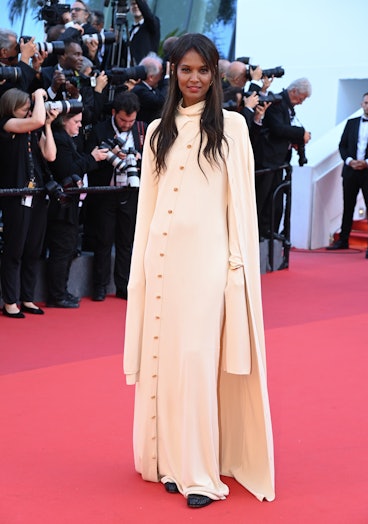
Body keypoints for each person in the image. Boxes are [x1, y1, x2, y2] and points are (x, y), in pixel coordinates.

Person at [123, 33, 275, 508]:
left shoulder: (233, 127)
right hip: (161, 262)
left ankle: (202, 474)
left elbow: (241, 209)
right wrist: (141, 268)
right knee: (164, 363)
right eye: (185, 69)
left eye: (203, 70)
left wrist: (236, 267)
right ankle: (170, 461)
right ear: (173, 73)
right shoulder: (154, 130)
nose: (194, 78)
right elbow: (146, 206)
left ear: (215, 76)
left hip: (208, 267)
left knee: (195, 362)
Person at [0, 88, 57, 318]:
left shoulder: (33, 127)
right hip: (16, 196)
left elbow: (50, 155)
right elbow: (37, 118)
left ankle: (27, 297)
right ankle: (10, 301)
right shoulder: (6, 124)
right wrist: (38, 96)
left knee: (33, 249)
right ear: (11, 107)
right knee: (15, 249)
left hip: (38, 195)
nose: (29, 110)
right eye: (24, 107)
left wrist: (49, 126)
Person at [85, 91, 147, 301]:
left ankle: (123, 285)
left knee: (126, 241)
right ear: (113, 113)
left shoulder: (142, 130)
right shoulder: (100, 130)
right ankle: (100, 286)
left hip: (131, 192)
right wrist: (109, 155)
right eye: (123, 120)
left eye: (131, 120)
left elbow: (151, 159)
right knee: (103, 240)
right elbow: (89, 160)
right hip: (106, 192)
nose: (127, 124)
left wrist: (138, 158)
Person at [45, 110, 108, 308]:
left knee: (68, 249)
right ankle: (57, 295)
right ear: (64, 121)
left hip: (71, 205)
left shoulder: (67, 138)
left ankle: (62, 291)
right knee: (62, 250)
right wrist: (92, 158)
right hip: (61, 206)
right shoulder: (60, 139)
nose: (80, 126)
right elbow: (67, 170)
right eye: (76, 122)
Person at [254, 77, 312, 239]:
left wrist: (295, 140)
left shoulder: (288, 106)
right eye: (301, 98)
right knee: (263, 200)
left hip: (279, 162)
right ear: (293, 91)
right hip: (267, 160)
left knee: (276, 203)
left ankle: (270, 234)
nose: (301, 102)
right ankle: (259, 234)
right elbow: (277, 129)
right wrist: (301, 133)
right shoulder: (277, 103)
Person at [327, 91, 368, 258]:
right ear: (361, 104)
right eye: (366, 102)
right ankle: (343, 240)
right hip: (350, 171)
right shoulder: (352, 123)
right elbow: (343, 145)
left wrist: (367, 162)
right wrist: (349, 161)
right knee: (348, 206)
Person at [130, 53, 166, 124]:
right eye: (160, 75)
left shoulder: (151, 88)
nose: (161, 78)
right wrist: (167, 78)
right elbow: (160, 101)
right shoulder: (140, 90)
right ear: (151, 77)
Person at [127, 0, 160, 66]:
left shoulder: (151, 24)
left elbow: (148, 17)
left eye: (138, 4)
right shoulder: (131, 31)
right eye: (133, 4)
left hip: (145, 70)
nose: (136, 6)